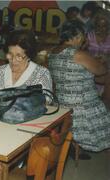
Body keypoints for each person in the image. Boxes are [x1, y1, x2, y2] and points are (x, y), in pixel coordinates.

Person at [48, 19, 110, 153]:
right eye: (82, 37)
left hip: (60, 102)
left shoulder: (53, 52)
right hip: (82, 106)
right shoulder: (78, 54)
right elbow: (102, 70)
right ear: (77, 37)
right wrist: (103, 61)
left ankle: (71, 144)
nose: (83, 41)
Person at [0, 29, 52, 98]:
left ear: (29, 56)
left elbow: (46, 101)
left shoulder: (41, 74)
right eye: (10, 54)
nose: (13, 60)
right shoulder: (2, 72)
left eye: (19, 56)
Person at [86, 9, 110, 108]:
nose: (101, 28)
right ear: (94, 25)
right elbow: (81, 53)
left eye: (104, 26)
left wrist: (107, 57)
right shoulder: (89, 36)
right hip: (91, 70)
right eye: (98, 25)